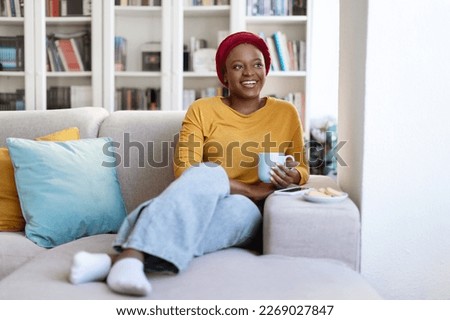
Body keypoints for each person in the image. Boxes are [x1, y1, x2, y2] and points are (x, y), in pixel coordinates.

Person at [69, 31, 309, 296]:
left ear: (266, 69)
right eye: (238, 66)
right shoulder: (202, 110)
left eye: (257, 64)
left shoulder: (286, 112)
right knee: (207, 171)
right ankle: (128, 262)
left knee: (238, 206)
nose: (249, 72)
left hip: (249, 212)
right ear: (225, 75)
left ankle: (120, 259)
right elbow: (185, 169)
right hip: (203, 198)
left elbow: (303, 167)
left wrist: (293, 176)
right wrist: (251, 188)